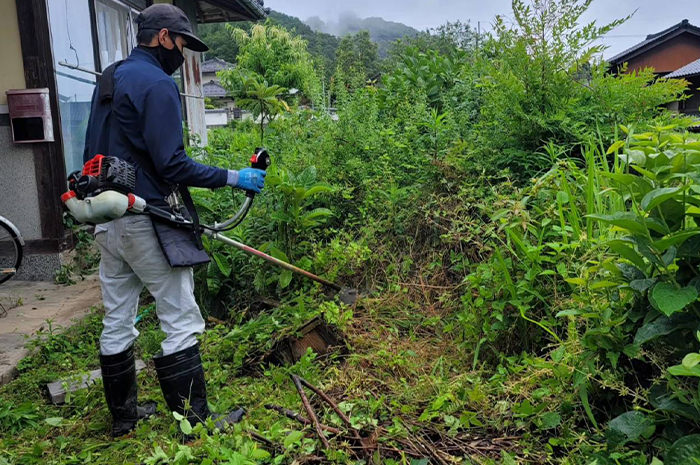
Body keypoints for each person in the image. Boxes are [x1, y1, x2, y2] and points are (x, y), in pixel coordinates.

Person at [83, 3, 266, 437]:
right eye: (183, 43)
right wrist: (233, 177)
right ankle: (195, 423)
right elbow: (172, 164)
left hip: (106, 216)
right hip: (146, 216)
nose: (184, 53)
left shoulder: (108, 78)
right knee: (181, 315)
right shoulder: (157, 84)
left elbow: (99, 150)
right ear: (164, 37)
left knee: (117, 316)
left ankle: (124, 417)